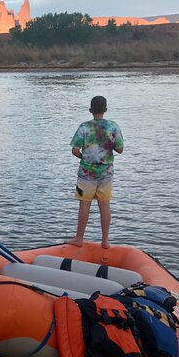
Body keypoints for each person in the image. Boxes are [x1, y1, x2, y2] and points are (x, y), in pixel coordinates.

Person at [67, 96, 124, 249]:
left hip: (86, 173)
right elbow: (120, 149)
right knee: (104, 204)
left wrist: (83, 157)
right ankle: (105, 240)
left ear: (90, 110)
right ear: (105, 109)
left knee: (84, 205)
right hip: (106, 173)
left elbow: (74, 150)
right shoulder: (113, 127)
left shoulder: (84, 127)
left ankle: (79, 238)